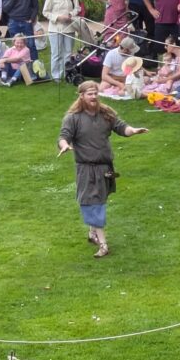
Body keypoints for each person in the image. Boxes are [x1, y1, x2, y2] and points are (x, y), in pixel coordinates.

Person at [57, 81, 149, 257]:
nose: (93, 97)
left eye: (95, 93)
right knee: (94, 204)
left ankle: (92, 233)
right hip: (86, 169)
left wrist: (133, 130)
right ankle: (103, 244)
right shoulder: (73, 117)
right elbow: (64, 135)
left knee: (99, 199)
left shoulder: (105, 113)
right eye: (89, 94)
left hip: (105, 168)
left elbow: (121, 127)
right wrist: (64, 145)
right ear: (81, 96)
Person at [42, 0, 83, 80]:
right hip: (55, 28)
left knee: (68, 53)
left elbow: (77, 8)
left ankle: (67, 74)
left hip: (69, 27)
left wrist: (70, 15)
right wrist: (58, 18)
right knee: (56, 53)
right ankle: (56, 76)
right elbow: (45, 12)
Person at [0, 0, 42, 67]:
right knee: (16, 46)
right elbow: (5, 8)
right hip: (13, 22)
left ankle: (35, 67)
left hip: (26, 21)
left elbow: (36, 6)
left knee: (31, 45)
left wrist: (32, 19)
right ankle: (16, 68)